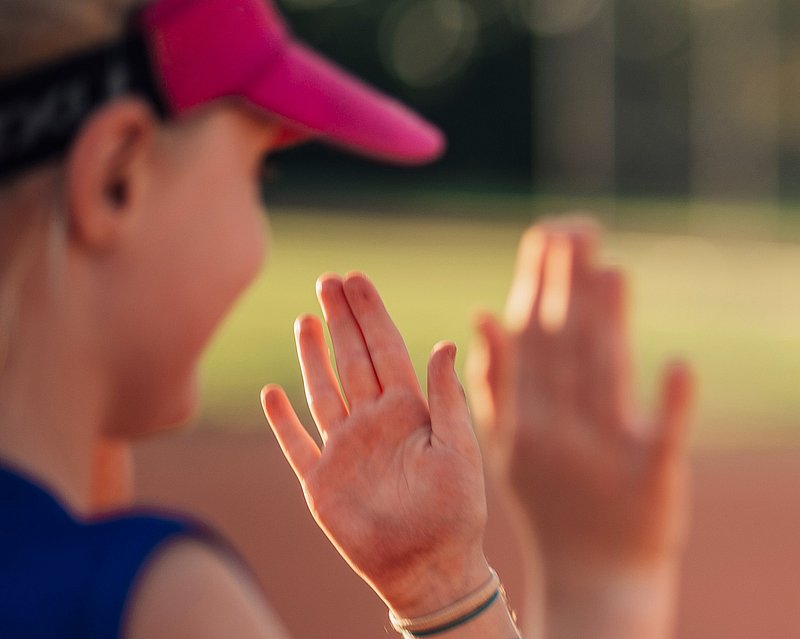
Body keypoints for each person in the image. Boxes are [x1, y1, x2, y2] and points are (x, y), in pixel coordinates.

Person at [0, 0, 666, 636]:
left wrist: (435, 577)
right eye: (258, 169)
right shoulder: (155, 604)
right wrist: (594, 585)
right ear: (118, 178)